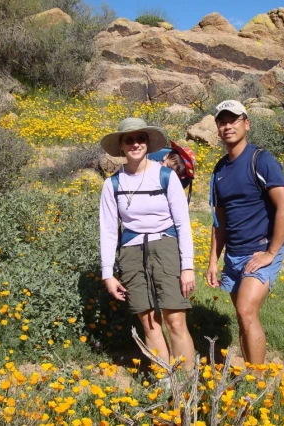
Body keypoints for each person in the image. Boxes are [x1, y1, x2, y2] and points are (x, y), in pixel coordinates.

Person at [99, 117, 196, 370]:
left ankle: (188, 385)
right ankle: (166, 384)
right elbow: (109, 230)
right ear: (121, 145)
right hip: (131, 252)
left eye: (140, 138)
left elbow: (183, 223)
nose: (135, 144)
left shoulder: (166, 177)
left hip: (165, 248)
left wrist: (187, 267)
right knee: (149, 322)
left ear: (148, 143)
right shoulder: (112, 185)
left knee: (175, 320)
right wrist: (108, 274)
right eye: (129, 140)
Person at [206, 100, 284, 366]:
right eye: (222, 121)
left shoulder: (261, 160)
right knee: (243, 316)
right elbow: (219, 219)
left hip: (260, 251)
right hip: (234, 255)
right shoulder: (220, 169)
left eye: (233, 120)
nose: (227, 126)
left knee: (246, 311)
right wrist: (213, 260)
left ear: (246, 123)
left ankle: (255, 384)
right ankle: (249, 373)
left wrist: (271, 252)